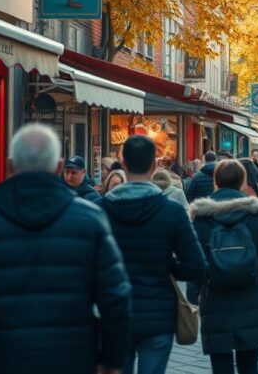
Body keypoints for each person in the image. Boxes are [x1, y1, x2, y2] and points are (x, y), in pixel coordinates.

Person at [0, 124, 131, 373]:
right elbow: (115, 298)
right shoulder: (89, 220)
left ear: (11, 166)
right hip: (72, 357)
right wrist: (112, 360)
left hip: (0, 358)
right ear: (58, 167)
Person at [101, 135, 207, 374]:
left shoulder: (100, 210)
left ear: (123, 165)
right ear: (153, 166)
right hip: (158, 313)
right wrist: (167, 265)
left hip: (114, 313)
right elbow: (197, 266)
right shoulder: (172, 212)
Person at [190, 159, 258, 373]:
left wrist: (194, 297)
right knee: (249, 366)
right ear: (243, 181)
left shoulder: (201, 217)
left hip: (215, 302)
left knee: (221, 366)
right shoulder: (255, 214)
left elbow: (195, 265)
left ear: (215, 182)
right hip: (252, 300)